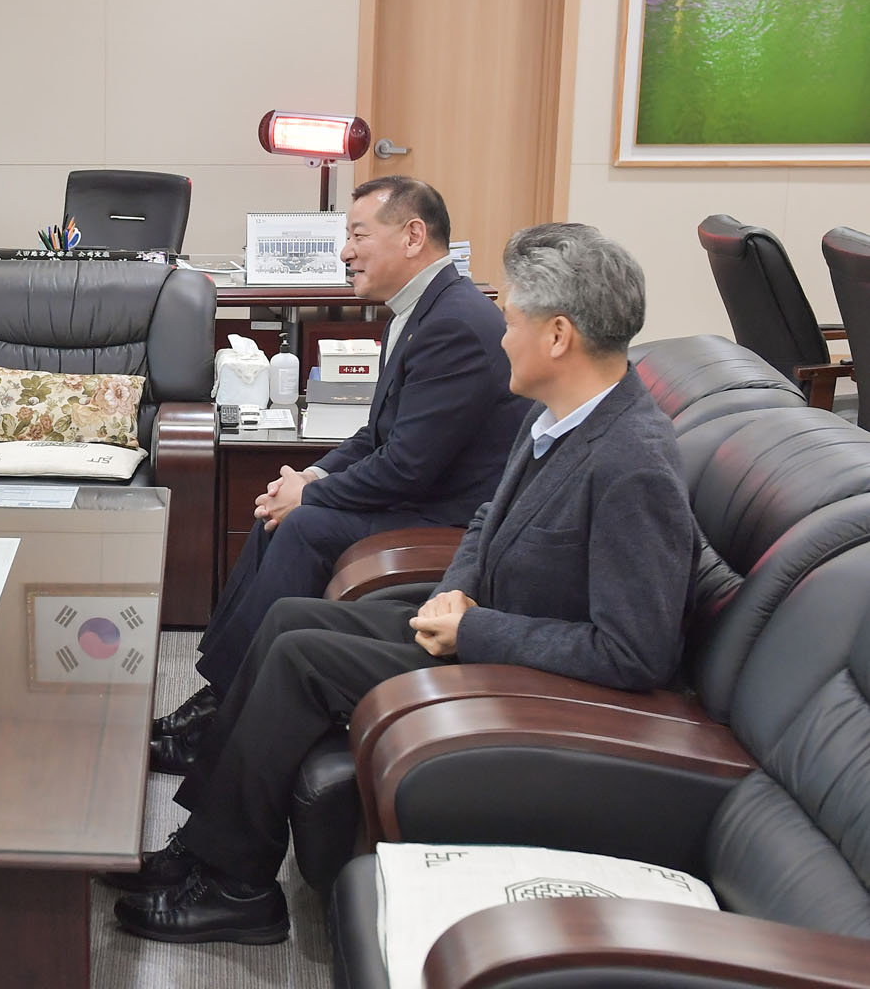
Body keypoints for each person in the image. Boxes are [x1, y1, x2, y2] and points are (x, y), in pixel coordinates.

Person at [109, 222, 697, 945]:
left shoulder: (633, 462)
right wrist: (457, 587)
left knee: (301, 658)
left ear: (557, 336)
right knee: (288, 619)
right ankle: (201, 845)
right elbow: (486, 519)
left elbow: (636, 654)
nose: (502, 337)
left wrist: (473, 628)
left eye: (513, 321)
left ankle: (237, 887)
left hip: (524, 676)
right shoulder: (558, 415)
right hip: (479, 625)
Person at [153, 176, 529, 773]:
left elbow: (406, 467)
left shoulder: (455, 323)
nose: (345, 252)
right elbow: (375, 436)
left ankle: (223, 713)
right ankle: (221, 694)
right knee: (279, 512)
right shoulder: (419, 310)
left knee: (303, 525)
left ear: (413, 236)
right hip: (421, 494)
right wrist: (309, 475)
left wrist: (313, 495)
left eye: (358, 235)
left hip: (448, 518)